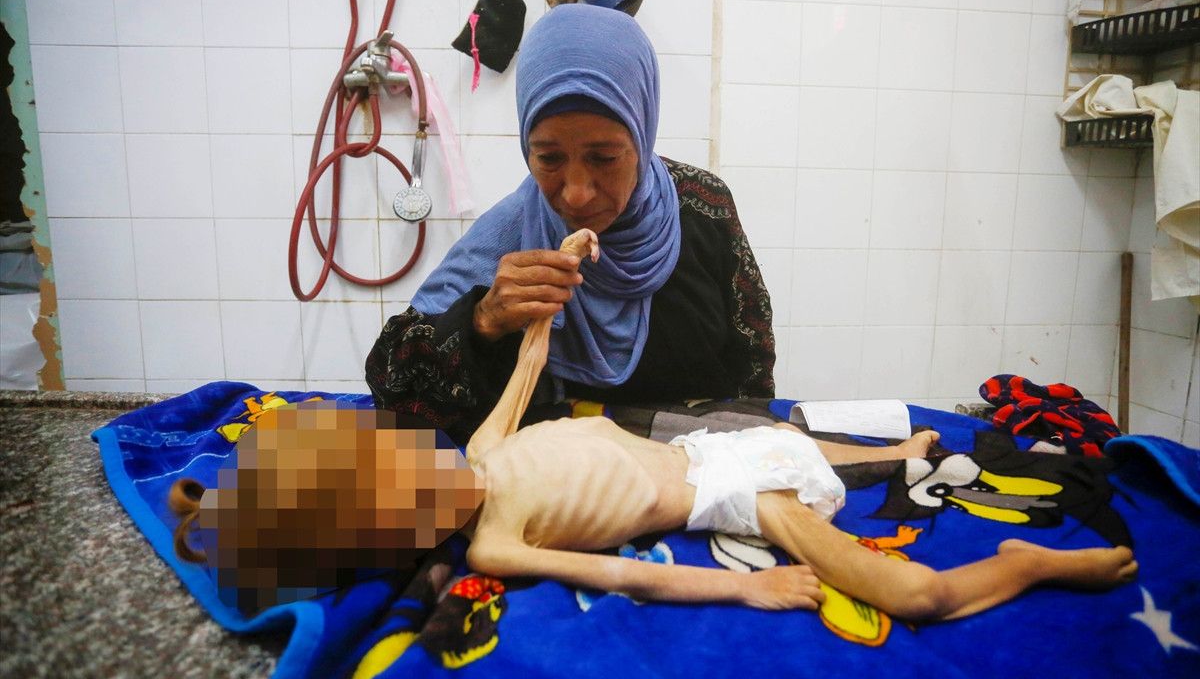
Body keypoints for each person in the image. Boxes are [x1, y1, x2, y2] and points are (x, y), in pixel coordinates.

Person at [173, 233, 1136, 618]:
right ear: (407, 534)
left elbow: (532, 361)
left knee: (793, 440)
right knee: (910, 597)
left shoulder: (481, 455)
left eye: (400, 458)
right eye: (407, 493)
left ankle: (904, 449)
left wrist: (564, 262)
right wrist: (748, 592)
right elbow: (629, 574)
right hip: (731, 494)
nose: (424, 470)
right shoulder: (499, 541)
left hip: (708, 447)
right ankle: (1028, 565)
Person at [366, 4, 774, 446]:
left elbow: (753, 373)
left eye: (604, 158)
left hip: (691, 472)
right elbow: (395, 390)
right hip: (557, 480)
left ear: (642, 135)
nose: (577, 194)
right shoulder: (512, 236)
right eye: (549, 158)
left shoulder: (703, 209)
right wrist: (484, 321)